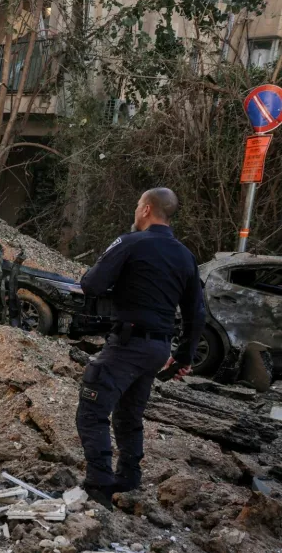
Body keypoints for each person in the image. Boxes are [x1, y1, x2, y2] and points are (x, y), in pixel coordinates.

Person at [76, 188, 204, 509]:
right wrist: (183, 357)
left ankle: (99, 485)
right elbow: (196, 313)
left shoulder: (130, 242)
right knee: (129, 413)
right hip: (158, 348)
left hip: (128, 343)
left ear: (146, 209)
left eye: (137, 205)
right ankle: (129, 478)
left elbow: (91, 284)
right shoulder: (186, 256)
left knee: (92, 409)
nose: (135, 211)